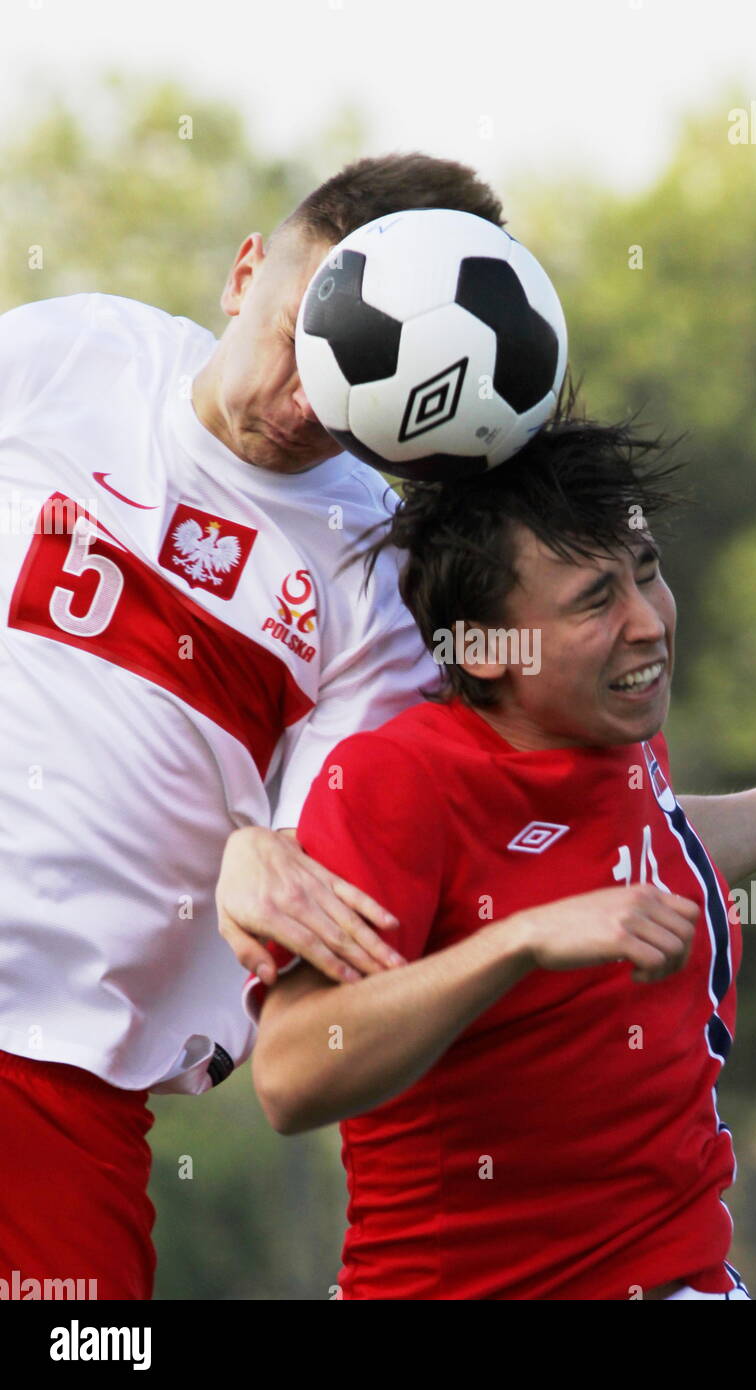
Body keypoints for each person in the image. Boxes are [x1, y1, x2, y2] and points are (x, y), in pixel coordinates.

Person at [0, 152, 510, 1299]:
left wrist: (254, 862)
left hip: (57, 1073)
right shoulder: (71, 350)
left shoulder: (377, 584)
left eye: (354, 392)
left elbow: (320, 869)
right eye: (301, 341)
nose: (302, 404)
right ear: (244, 275)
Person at [246, 406, 756, 1300]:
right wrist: (519, 940)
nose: (647, 623)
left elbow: (647, 847)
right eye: (595, 600)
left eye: (647, 574)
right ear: (484, 649)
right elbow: (290, 1073)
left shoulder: (616, 738)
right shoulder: (397, 781)